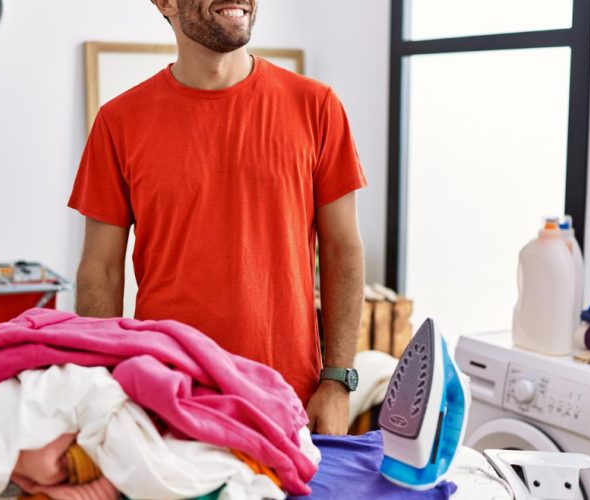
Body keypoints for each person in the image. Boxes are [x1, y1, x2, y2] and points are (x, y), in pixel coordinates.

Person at [69, 0, 367, 436]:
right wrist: (101, 385)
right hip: (165, 396)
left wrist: (338, 380)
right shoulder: (119, 121)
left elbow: (343, 248)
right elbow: (102, 269)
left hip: (287, 399)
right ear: (165, 4)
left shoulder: (316, 105)